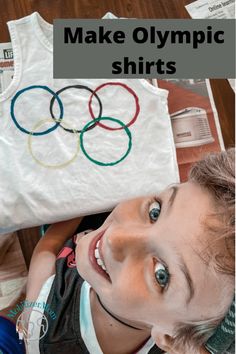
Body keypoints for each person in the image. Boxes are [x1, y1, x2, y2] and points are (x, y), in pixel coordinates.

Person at [24, 148, 235, 354]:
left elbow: (46, 249)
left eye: (160, 275)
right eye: (156, 211)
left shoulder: (44, 327)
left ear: (173, 340)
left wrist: (80, 197)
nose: (114, 238)